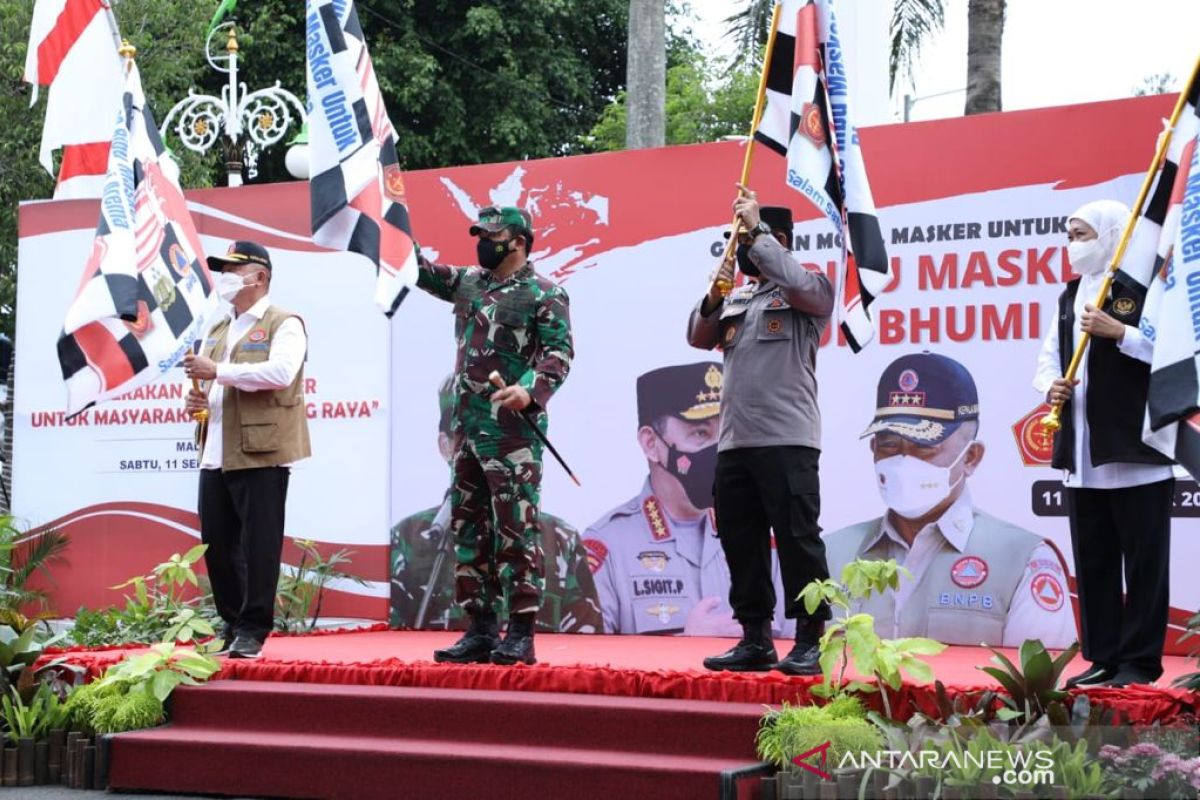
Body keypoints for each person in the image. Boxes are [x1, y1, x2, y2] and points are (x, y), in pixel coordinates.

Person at [825, 352, 1077, 649]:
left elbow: (1038, 689)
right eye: (889, 445)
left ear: (970, 457)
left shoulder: (1023, 559)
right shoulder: (828, 555)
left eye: (924, 447)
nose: (903, 461)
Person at [415, 206, 573, 666]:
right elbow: (418, 270)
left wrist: (531, 389)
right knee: (470, 528)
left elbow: (559, 353)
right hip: (467, 429)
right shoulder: (467, 282)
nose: (482, 241)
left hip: (511, 436)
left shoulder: (544, 292)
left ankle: (520, 632)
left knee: (515, 531)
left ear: (518, 241)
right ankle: (480, 628)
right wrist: (389, 227)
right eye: (479, 234)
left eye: (491, 234)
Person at [686, 190, 833, 675]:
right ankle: (755, 636)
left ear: (779, 240)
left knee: (797, 539)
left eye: (745, 238)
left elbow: (800, 284)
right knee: (741, 540)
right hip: (735, 441)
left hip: (788, 438)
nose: (740, 248)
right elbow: (698, 336)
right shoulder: (741, 296)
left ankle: (811, 639)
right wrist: (715, 294)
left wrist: (759, 233)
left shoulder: (807, 289)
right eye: (738, 239)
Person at [1034, 199, 1174, 688]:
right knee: (1093, 562)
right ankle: (1103, 657)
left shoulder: (1146, 288)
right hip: (1083, 453)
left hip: (1137, 453)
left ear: (1114, 234)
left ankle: (1139, 663)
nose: (1073, 245)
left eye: (1083, 234)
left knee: (1143, 565)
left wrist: (1123, 333)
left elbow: (1176, 353)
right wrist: (1051, 386)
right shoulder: (1069, 295)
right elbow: (1049, 359)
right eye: (1070, 235)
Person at [583, 362, 795, 637]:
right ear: (651, 443)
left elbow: (799, 661)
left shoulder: (767, 541)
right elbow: (589, 672)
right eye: (700, 433)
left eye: (729, 433)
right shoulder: (608, 547)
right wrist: (685, 646)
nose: (721, 451)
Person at [391, 376, 600, 633]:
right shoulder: (410, 538)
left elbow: (587, 642)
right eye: (470, 434)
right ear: (445, 446)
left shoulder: (559, 540)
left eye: (502, 432)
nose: (486, 446)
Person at [183, 240, 310, 660]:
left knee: (260, 545)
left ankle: (254, 629)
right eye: (223, 271)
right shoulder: (217, 328)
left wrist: (218, 371)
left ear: (261, 276)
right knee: (216, 544)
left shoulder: (284, 322)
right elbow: (203, 383)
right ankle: (233, 623)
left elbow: (281, 372)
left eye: (235, 270)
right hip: (215, 450)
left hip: (261, 451)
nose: (226, 279)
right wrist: (196, 399)